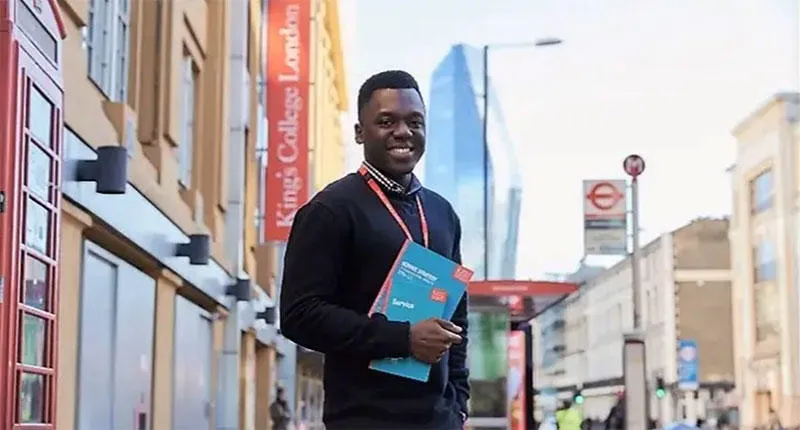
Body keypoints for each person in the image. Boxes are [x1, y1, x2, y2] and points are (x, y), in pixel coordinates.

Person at [279, 70, 470, 429]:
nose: (403, 131)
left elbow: (457, 317)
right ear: (359, 132)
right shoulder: (330, 210)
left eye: (415, 121)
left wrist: (457, 402)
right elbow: (299, 315)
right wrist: (404, 338)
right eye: (386, 121)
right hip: (363, 419)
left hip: (438, 421)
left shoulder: (442, 213)